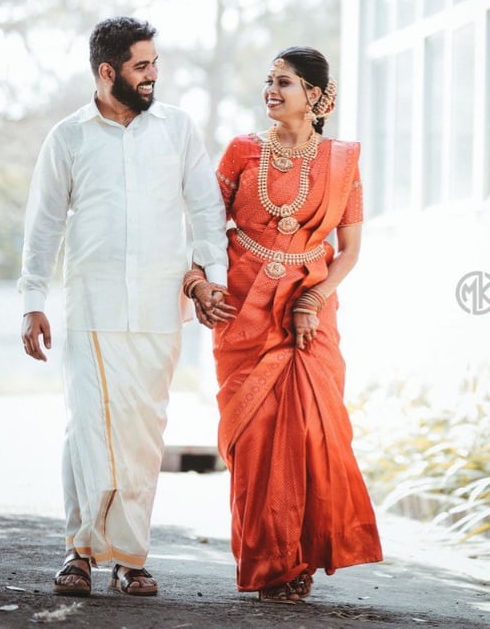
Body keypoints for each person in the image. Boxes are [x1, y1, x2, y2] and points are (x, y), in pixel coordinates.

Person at [19, 16, 230, 598]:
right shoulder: (69, 136)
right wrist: (32, 299)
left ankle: (130, 558)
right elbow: (43, 223)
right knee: (88, 428)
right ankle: (80, 552)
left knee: (143, 433)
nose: (153, 75)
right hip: (93, 305)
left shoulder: (177, 128)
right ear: (107, 71)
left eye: (155, 63)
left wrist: (212, 279)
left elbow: (205, 209)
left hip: (159, 308)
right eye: (142, 66)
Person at [183, 46, 382, 603]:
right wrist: (197, 281)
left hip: (308, 312)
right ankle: (269, 562)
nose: (271, 91)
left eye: (285, 82)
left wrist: (312, 299)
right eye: (269, 81)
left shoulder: (343, 160)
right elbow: (205, 226)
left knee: (311, 433)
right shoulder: (243, 151)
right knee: (253, 439)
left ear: (315, 96)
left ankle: (299, 560)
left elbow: (350, 250)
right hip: (242, 307)